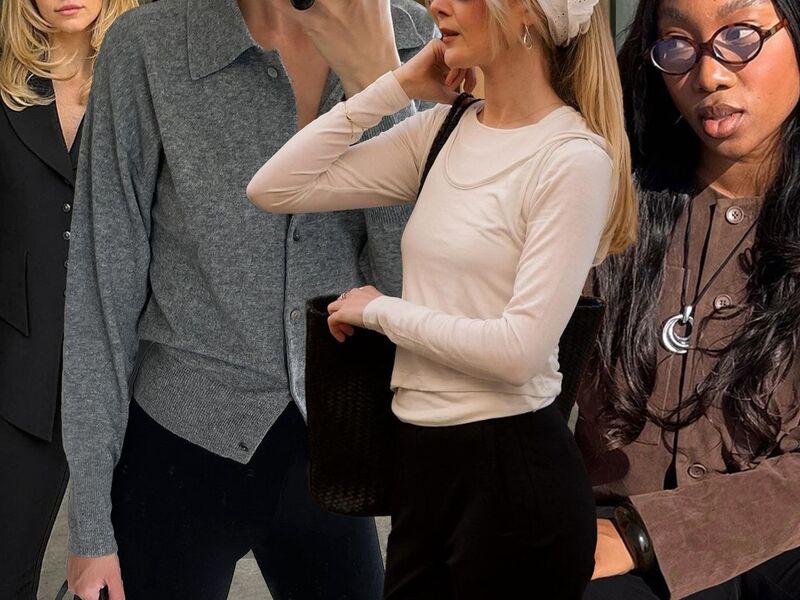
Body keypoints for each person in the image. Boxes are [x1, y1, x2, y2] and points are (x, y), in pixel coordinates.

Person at [247, 0, 636, 597]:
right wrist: (395, 86)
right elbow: (273, 188)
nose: (437, 4)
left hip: (513, 479)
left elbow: (519, 352)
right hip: (421, 467)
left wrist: (381, 311)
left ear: (528, 13)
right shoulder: (445, 130)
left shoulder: (572, 158)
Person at [60, 0, 434, 599]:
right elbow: (102, 288)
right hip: (176, 449)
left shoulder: (420, 43)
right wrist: (89, 524)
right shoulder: (150, 46)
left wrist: (382, 89)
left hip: (338, 444)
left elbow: (418, 290)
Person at [578, 0, 800, 598]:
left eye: (741, 35)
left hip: (779, 549)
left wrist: (646, 535)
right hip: (605, 550)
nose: (708, 74)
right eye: (677, 43)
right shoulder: (609, 203)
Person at [0, 1, 136, 598]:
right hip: (20, 369)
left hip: (134, 366)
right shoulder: (6, 83)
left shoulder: (142, 80)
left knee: (131, 574)